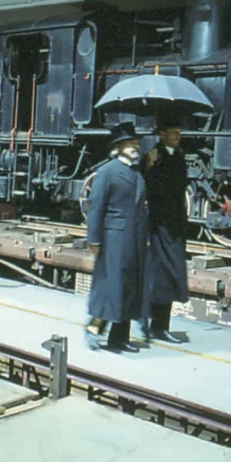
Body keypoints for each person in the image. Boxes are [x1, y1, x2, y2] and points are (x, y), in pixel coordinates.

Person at [84, 121, 149, 353]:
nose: (135, 147)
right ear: (118, 146)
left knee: (129, 287)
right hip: (113, 238)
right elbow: (96, 208)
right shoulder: (107, 172)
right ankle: (94, 328)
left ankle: (119, 338)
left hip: (134, 237)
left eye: (136, 143)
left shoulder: (136, 171)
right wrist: (94, 239)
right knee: (113, 286)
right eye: (130, 144)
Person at [139, 113, 190, 343]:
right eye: (174, 133)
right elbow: (147, 188)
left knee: (170, 275)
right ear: (162, 134)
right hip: (160, 226)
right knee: (161, 276)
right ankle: (155, 325)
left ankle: (157, 324)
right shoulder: (154, 157)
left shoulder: (178, 155)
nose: (178, 136)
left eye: (179, 133)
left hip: (174, 226)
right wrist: (147, 167)